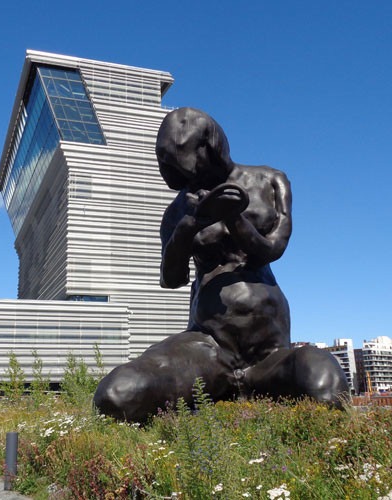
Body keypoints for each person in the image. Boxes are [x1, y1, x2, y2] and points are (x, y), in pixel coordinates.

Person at [94, 108, 349, 422]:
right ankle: (216, 387)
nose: (191, 180)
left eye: (190, 166)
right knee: (118, 394)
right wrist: (189, 226)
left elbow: (272, 250)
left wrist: (233, 217)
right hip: (207, 347)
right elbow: (171, 278)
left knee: (325, 383)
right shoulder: (178, 210)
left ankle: (254, 388)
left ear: (209, 148)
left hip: (268, 352)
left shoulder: (270, 181)